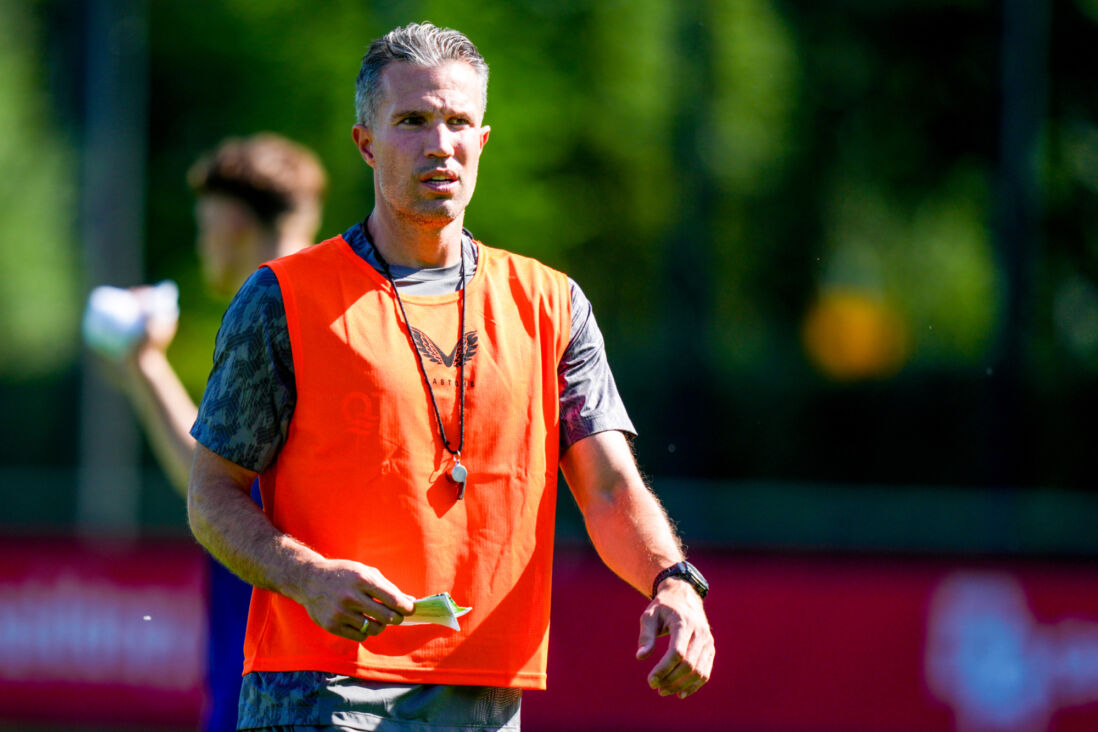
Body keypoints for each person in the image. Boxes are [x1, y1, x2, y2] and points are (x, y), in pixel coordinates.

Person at [186, 22, 714, 732]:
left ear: (482, 142)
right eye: (412, 121)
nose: (440, 144)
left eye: (458, 121)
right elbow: (210, 494)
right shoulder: (283, 298)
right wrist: (308, 578)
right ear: (366, 143)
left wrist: (673, 581)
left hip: (485, 694)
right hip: (318, 689)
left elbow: (612, 488)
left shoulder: (551, 303)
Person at [86, 133, 327, 732]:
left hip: (280, 665)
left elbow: (212, 483)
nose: (202, 243)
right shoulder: (347, 306)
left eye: (204, 225)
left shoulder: (273, 309)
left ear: (235, 221)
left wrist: (144, 363)